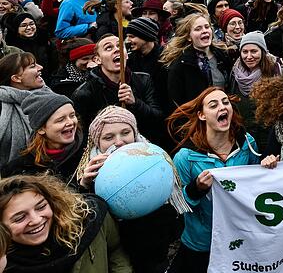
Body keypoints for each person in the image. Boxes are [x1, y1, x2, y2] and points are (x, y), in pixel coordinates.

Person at [75, 106, 186, 273]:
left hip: (154, 252)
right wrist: (84, 185)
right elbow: (80, 221)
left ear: (135, 133)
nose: (119, 142)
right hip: (114, 258)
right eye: (108, 137)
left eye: (125, 133)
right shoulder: (88, 170)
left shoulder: (153, 158)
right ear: (97, 142)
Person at [169, 87, 260, 273]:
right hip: (202, 243)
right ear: (202, 115)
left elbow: (257, 183)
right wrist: (196, 189)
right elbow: (177, 205)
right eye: (214, 105)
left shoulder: (247, 143)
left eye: (226, 102)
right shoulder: (185, 157)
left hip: (240, 238)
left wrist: (268, 166)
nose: (222, 107)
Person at [0, 174, 133, 272]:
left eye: (41, 207)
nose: (36, 220)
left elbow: (116, 252)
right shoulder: (4, 264)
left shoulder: (89, 219)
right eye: (20, 218)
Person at [72, 34, 164, 144]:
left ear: (126, 55)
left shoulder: (144, 80)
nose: (117, 50)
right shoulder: (84, 93)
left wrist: (135, 103)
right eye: (108, 48)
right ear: (97, 59)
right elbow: (81, 136)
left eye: (120, 46)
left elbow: (158, 119)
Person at [1, 90, 82, 183]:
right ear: (41, 129)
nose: (70, 122)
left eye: (72, 116)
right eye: (61, 120)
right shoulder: (20, 169)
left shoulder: (87, 151)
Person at [161, 14, 232, 108]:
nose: (204, 31)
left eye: (207, 27)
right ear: (189, 37)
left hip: (223, 114)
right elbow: (176, 103)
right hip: (195, 118)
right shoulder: (180, 64)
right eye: (198, 29)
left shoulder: (222, 55)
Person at [229, 31, 282, 149]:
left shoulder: (277, 74)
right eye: (245, 52)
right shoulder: (234, 74)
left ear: (263, 52)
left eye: (254, 51)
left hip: (269, 138)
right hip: (244, 139)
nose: (249, 56)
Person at [4, 13, 57, 81]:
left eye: (31, 24)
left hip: (48, 79)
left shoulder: (44, 40)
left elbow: (54, 62)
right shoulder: (12, 45)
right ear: (17, 28)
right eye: (23, 25)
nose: (29, 28)